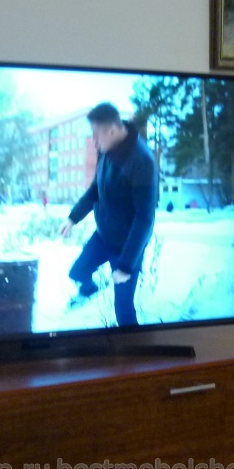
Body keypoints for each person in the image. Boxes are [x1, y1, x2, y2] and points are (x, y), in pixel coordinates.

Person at [58, 103, 157, 326]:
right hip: (103, 237)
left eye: (95, 135)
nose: (93, 141)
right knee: (77, 273)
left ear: (112, 131)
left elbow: (145, 219)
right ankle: (90, 290)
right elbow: (96, 189)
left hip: (128, 246)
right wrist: (73, 217)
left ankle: (134, 347)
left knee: (123, 309)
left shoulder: (142, 161)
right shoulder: (106, 150)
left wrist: (126, 266)